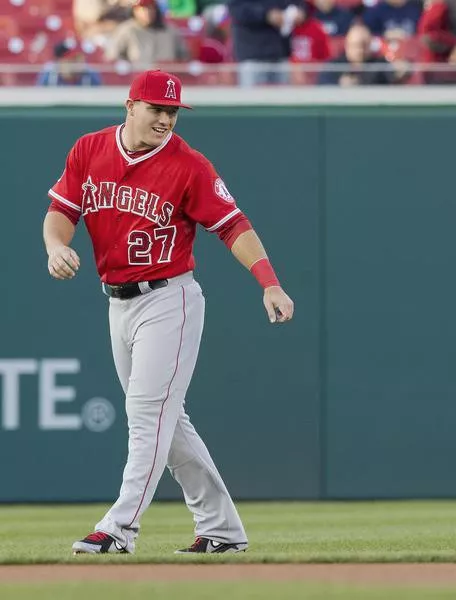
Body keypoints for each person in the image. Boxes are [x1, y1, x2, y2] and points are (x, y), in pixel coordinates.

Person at [43, 69, 295, 555]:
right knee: (167, 422)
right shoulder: (89, 149)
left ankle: (119, 528)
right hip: (117, 301)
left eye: (172, 112)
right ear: (130, 106)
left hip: (169, 298)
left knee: (146, 413)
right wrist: (55, 246)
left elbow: (232, 225)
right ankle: (222, 529)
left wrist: (270, 283)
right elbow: (61, 211)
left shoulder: (189, 164)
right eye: (156, 109)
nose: (165, 119)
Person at [105, 0, 190, 64]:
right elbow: (112, 58)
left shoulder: (171, 30)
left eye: (150, 8)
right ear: (134, 11)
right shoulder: (126, 30)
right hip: (137, 80)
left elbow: (184, 58)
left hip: (166, 80)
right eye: (142, 9)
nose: (147, 12)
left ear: (156, 9)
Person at [37, 39, 103, 87]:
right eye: (73, 59)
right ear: (59, 61)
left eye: (81, 58)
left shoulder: (91, 75)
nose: (79, 62)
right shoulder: (49, 75)